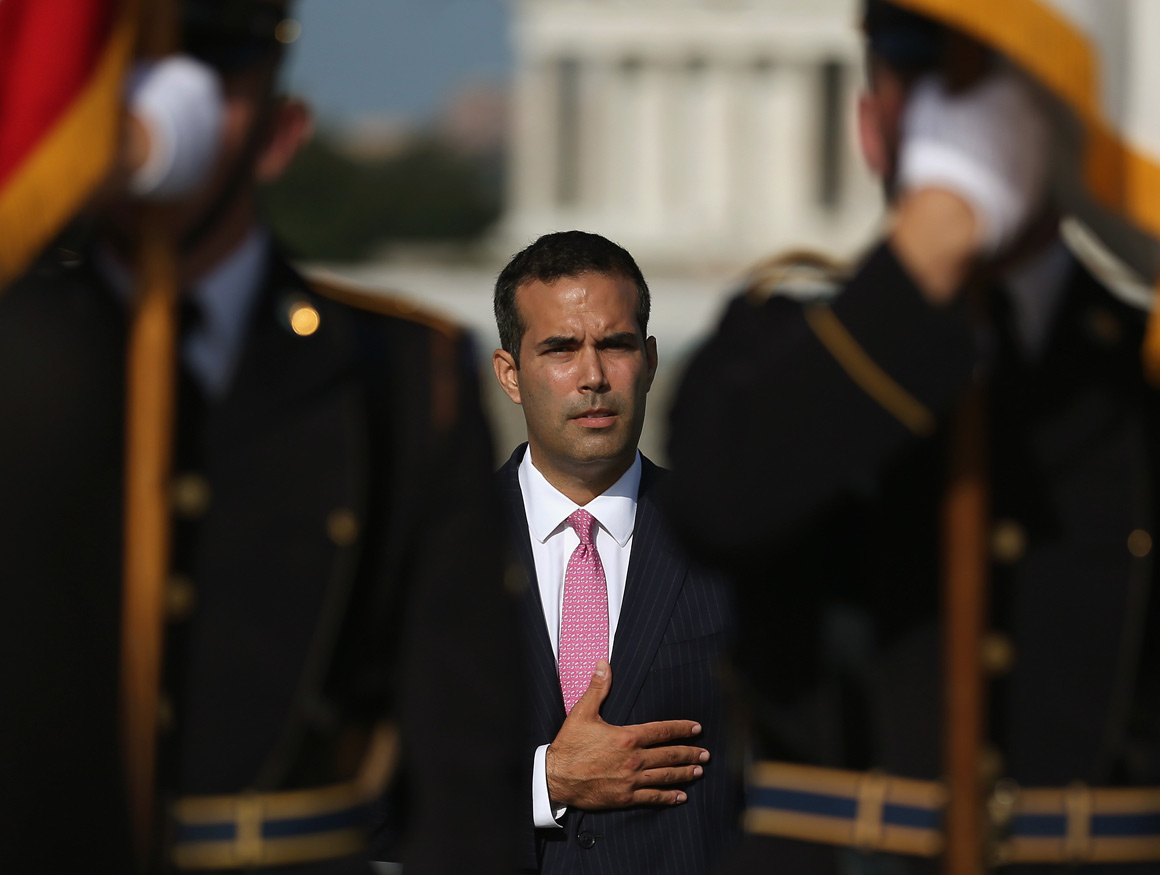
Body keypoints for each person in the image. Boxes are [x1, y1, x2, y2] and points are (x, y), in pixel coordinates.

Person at [0, 1, 523, 872]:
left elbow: (462, 767)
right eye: (116, 76)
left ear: (278, 135)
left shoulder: (397, 379)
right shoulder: (22, 362)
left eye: (208, 81)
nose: (151, 110)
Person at [665, 3, 1160, 873]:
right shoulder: (769, 347)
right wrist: (935, 240)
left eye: (997, 72)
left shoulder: (1139, 370)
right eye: (916, 60)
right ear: (870, 123)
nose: (959, 103)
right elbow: (721, 503)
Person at [490, 230, 740, 875]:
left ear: (650, 361)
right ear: (510, 374)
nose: (594, 376)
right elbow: (368, 796)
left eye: (616, 345)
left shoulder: (729, 542)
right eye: (561, 349)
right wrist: (547, 782)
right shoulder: (438, 550)